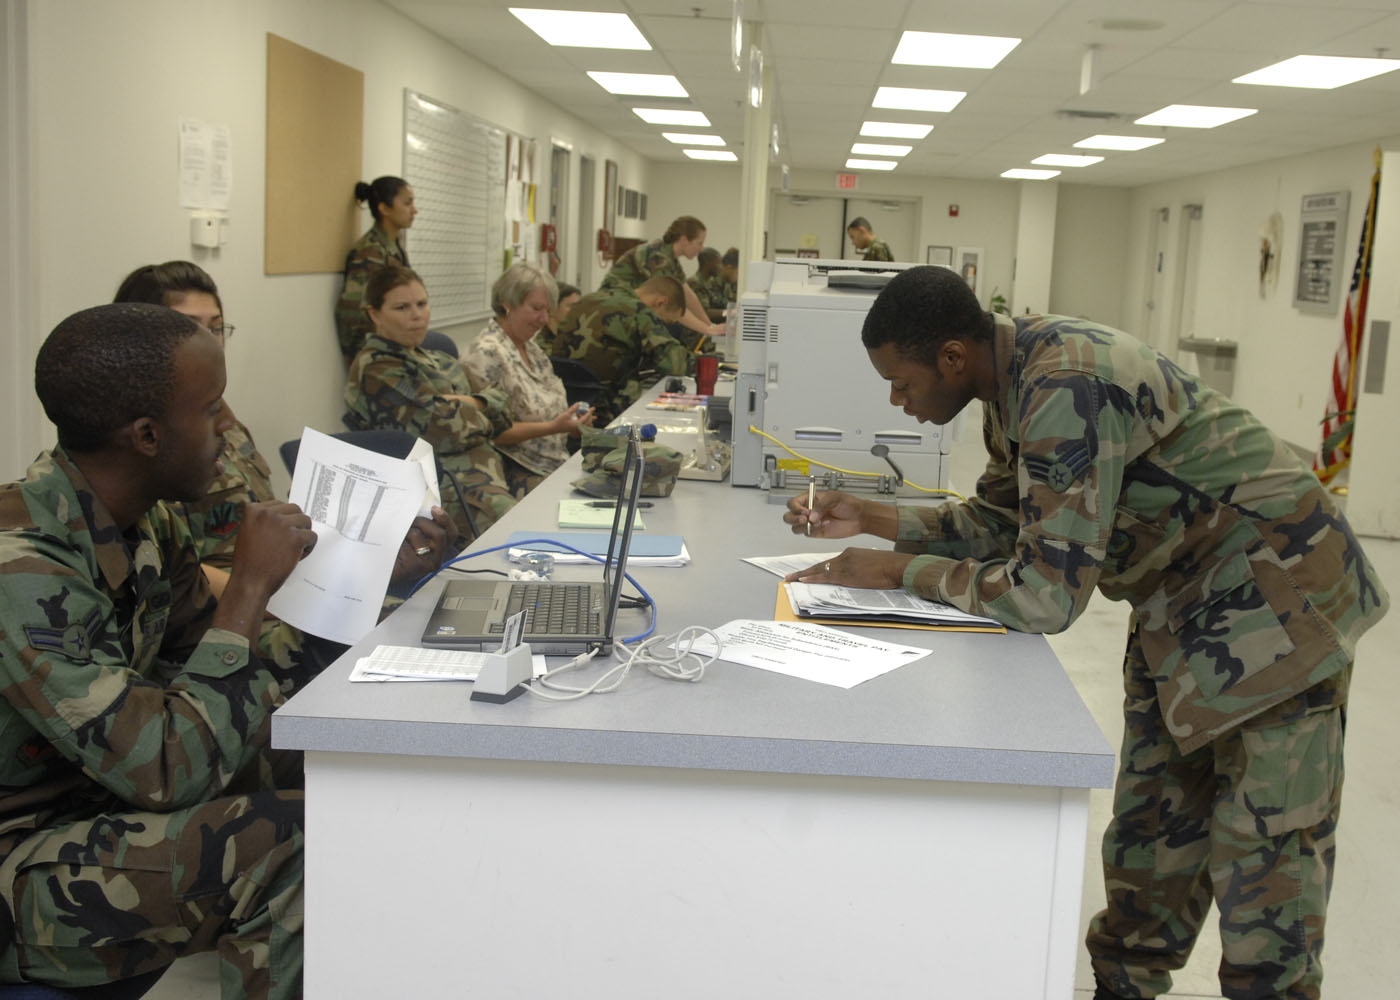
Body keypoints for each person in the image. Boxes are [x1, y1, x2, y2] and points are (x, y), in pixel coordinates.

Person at [782, 265, 1389, 1000]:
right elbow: (1001, 525)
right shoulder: (1009, 384)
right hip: (1181, 606)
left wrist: (895, 573)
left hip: (1280, 606)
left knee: (1268, 875)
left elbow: (1044, 596)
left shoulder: (1065, 385)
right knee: (1149, 842)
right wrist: (876, 521)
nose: (896, 399)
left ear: (951, 357)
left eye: (902, 382)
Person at [0, 303, 322, 997]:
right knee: (299, 841)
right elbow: (170, 769)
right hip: (19, 860)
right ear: (147, 435)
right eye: (210, 409)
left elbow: (222, 676)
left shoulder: (142, 525)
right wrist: (249, 586)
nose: (231, 425)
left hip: (99, 802)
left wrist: (362, 580)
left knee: (337, 757)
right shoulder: (21, 571)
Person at [113, 261, 454, 610]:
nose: (209, 343)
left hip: (275, 591)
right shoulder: (141, 442)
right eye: (188, 328)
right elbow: (177, 572)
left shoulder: (223, 420)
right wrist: (290, 598)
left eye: (216, 328)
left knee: (423, 614)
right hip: (231, 614)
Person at [345, 265, 519, 538]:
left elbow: (505, 406)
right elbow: (444, 428)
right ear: (374, 314)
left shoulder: (439, 359)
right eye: (401, 308)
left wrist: (465, 403)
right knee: (516, 532)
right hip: (440, 484)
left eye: (422, 304)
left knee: (557, 498)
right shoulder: (378, 368)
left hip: (492, 468)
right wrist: (481, 406)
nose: (416, 315)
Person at [460, 262, 595, 488]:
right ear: (507, 305)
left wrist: (573, 424)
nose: (544, 320)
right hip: (516, 470)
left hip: (555, 462)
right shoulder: (486, 354)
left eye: (548, 311)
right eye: (536, 309)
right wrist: (555, 427)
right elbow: (491, 431)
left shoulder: (532, 350)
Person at [548, 275, 688, 425]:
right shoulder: (639, 311)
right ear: (660, 303)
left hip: (565, 402)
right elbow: (677, 365)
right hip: (606, 409)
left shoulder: (587, 300)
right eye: (667, 322)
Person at [601, 214, 722, 346]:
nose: (702, 249)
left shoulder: (670, 258)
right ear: (684, 240)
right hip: (611, 308)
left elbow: (687, 295)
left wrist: (709, 325)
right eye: (699, 243)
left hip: (626, 307)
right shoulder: (658, 258)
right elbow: (671, 305)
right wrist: (708, 330)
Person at [334, 175, 416, 364]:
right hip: (377, 357)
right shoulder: (370, 252)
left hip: (396, 348)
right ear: (384, 208)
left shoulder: (394, 248)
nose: (414, 210)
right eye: (407, 203)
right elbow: (353, 316)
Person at [687, 247, 727, 323]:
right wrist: (728, 313)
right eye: (718, 263)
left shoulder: (712, 282)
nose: (721, 267)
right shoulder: (695, 283)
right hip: (697, 331)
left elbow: (721, 303)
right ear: (708, 262)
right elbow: (704, 312)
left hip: (712, 327)